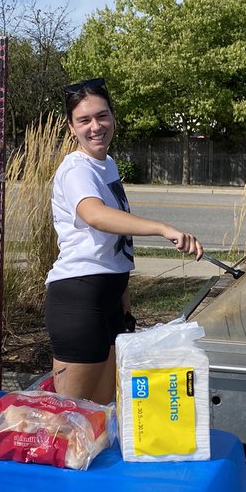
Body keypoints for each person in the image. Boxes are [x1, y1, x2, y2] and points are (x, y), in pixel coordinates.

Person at [45, 78, 203, 405]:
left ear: (113, 117)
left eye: (102, 116)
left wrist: (123, 296)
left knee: (103, 411)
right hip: (79, 298)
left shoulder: (107, 164)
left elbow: (112, 242)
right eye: (84, 120)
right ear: (71, 127)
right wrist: (162, 229)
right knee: (70, 417)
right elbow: (94, 214)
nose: (95, 127)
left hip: (109, 297)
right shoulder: (76, 169)